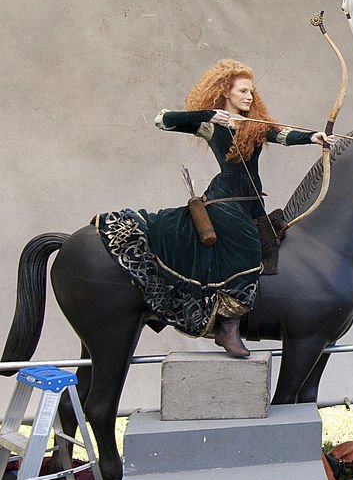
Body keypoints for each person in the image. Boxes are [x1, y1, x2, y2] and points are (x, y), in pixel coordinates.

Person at [93, 59, 339, 358]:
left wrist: (314, 137)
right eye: (243, 91)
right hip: (223, 201)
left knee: (268, 245)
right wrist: (209, 114)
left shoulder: (255, 126)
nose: (249, 96)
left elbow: (282, 134)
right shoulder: (211, 125)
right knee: (247, 246)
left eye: (251, 91)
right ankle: (227, 328)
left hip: (251, 204)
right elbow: (163, 120)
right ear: (226, 92)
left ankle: (245, 315)